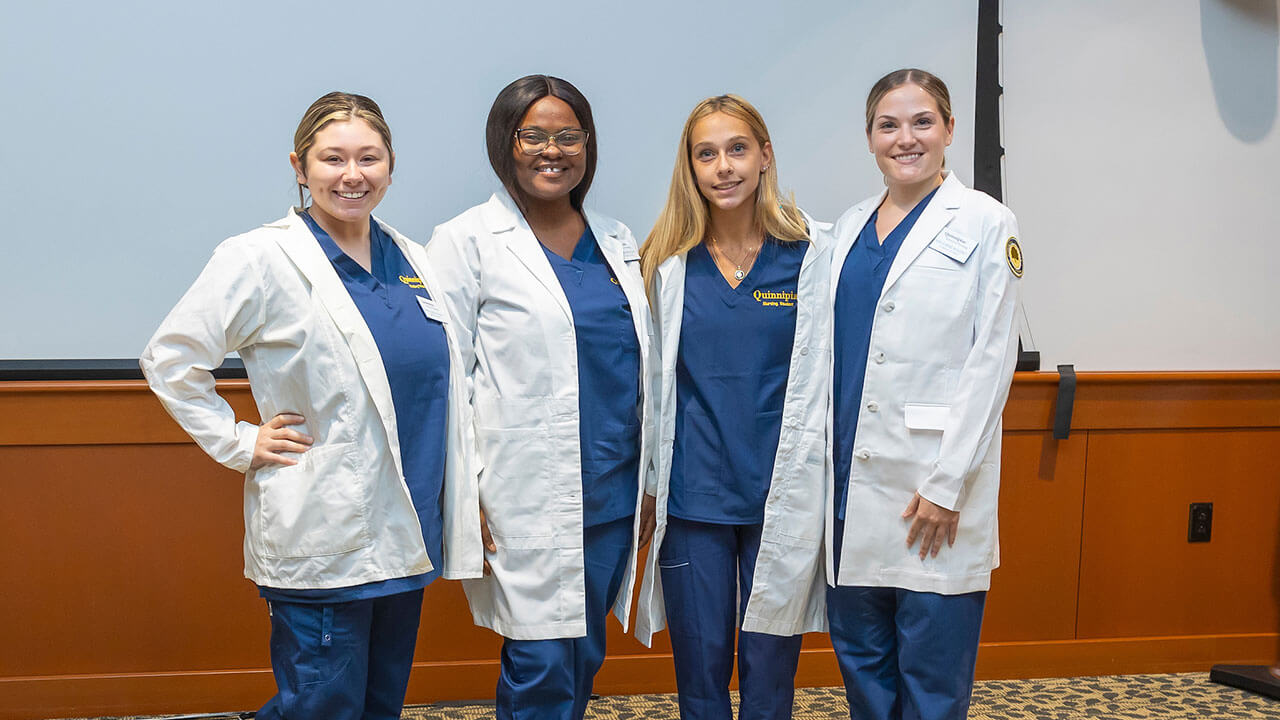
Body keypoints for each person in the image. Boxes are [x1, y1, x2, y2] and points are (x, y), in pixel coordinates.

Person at [139, 91, 481, 720]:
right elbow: (170, 358)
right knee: (322, 704)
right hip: (326, 530)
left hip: (407, 532)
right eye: (332, 159)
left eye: (368, 158)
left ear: (390, 164)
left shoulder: (412, 258)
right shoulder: (260, 257)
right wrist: (242, 443)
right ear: (300, 167)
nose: (352, 175)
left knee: (379, 703)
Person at [423, 74, 656, 720]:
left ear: (587, 144)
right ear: (506, 143)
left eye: (568, 135)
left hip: (610, 492)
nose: (552, 150)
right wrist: (463, 494)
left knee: (581, 652)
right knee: (540, 663)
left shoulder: (615, 240)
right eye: (534, 135)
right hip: (521, 494)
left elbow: (639, 368)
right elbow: (446, 377)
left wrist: (648, 483)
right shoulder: (466, 241)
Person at [826, 68, 1023, 720]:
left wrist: (947, 485)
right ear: (869, 137)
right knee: (865, 675)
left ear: (948, 130)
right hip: (850, 490)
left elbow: (991, 360)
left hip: (933, 492)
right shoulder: (848, 228)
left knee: (932, 685)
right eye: (889, 125)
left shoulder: (986, 223)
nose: (905, 138)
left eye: (921, 122)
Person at [635, 94, 831, 720]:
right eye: (707, 154)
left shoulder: (810, 259)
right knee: (701, 671)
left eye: (738, 148)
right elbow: (645, 388)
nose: (724, 167)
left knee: (771, 676)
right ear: (690, 169)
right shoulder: (664, 266)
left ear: (765, 156)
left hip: (783, 495)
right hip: (696, 497)